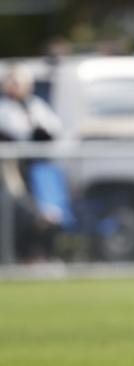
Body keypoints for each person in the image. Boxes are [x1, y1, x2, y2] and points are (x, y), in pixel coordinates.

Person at [0, 63, 65, 262]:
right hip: (12, 168)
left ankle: (41, 252)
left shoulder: (36, 106)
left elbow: (54, 129)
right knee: (19, 205)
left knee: (51, 211)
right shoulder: (4, 108)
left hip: (38, 169)